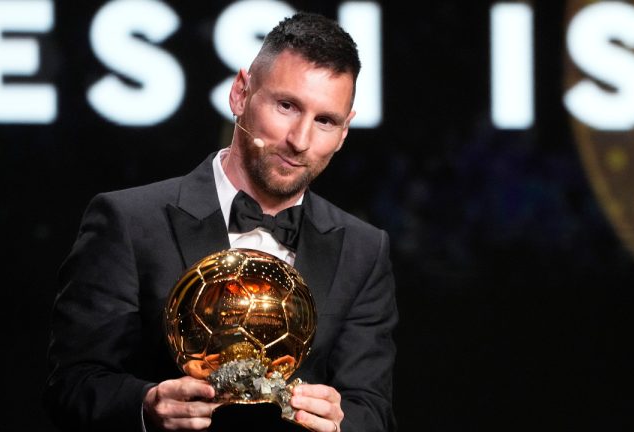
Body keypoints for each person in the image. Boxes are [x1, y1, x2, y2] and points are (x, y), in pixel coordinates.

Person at [43, 11, 398, 432]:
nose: (300, 140)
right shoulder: (129, 222)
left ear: (344, 132)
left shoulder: (364, 249)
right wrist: (146, 406)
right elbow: (71, 385)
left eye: (325, 121)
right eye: (286, 106)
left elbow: (372, 410)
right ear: (240, 94)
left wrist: (341, 424)